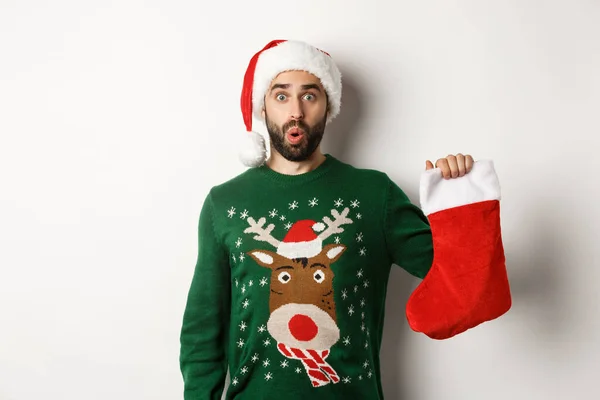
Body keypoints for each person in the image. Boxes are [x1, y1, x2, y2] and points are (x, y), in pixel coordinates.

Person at [179, 39, 511, 400]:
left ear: (328, 106)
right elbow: (203, 331)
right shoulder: (225, 203)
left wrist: (460, 203)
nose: (295, 112)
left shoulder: (374, 194)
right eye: (281, 96)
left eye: (309, 96)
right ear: (263, 106)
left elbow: (461, 279)